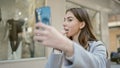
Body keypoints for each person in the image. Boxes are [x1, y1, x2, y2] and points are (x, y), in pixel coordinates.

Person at [34, 8, 107, 68]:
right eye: (64, 20)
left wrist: (65, 44)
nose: (64, 23)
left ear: (81, 24)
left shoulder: (97, 46)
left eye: (70, 20)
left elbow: (98, 65)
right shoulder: (61, 49)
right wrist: (57, 49)